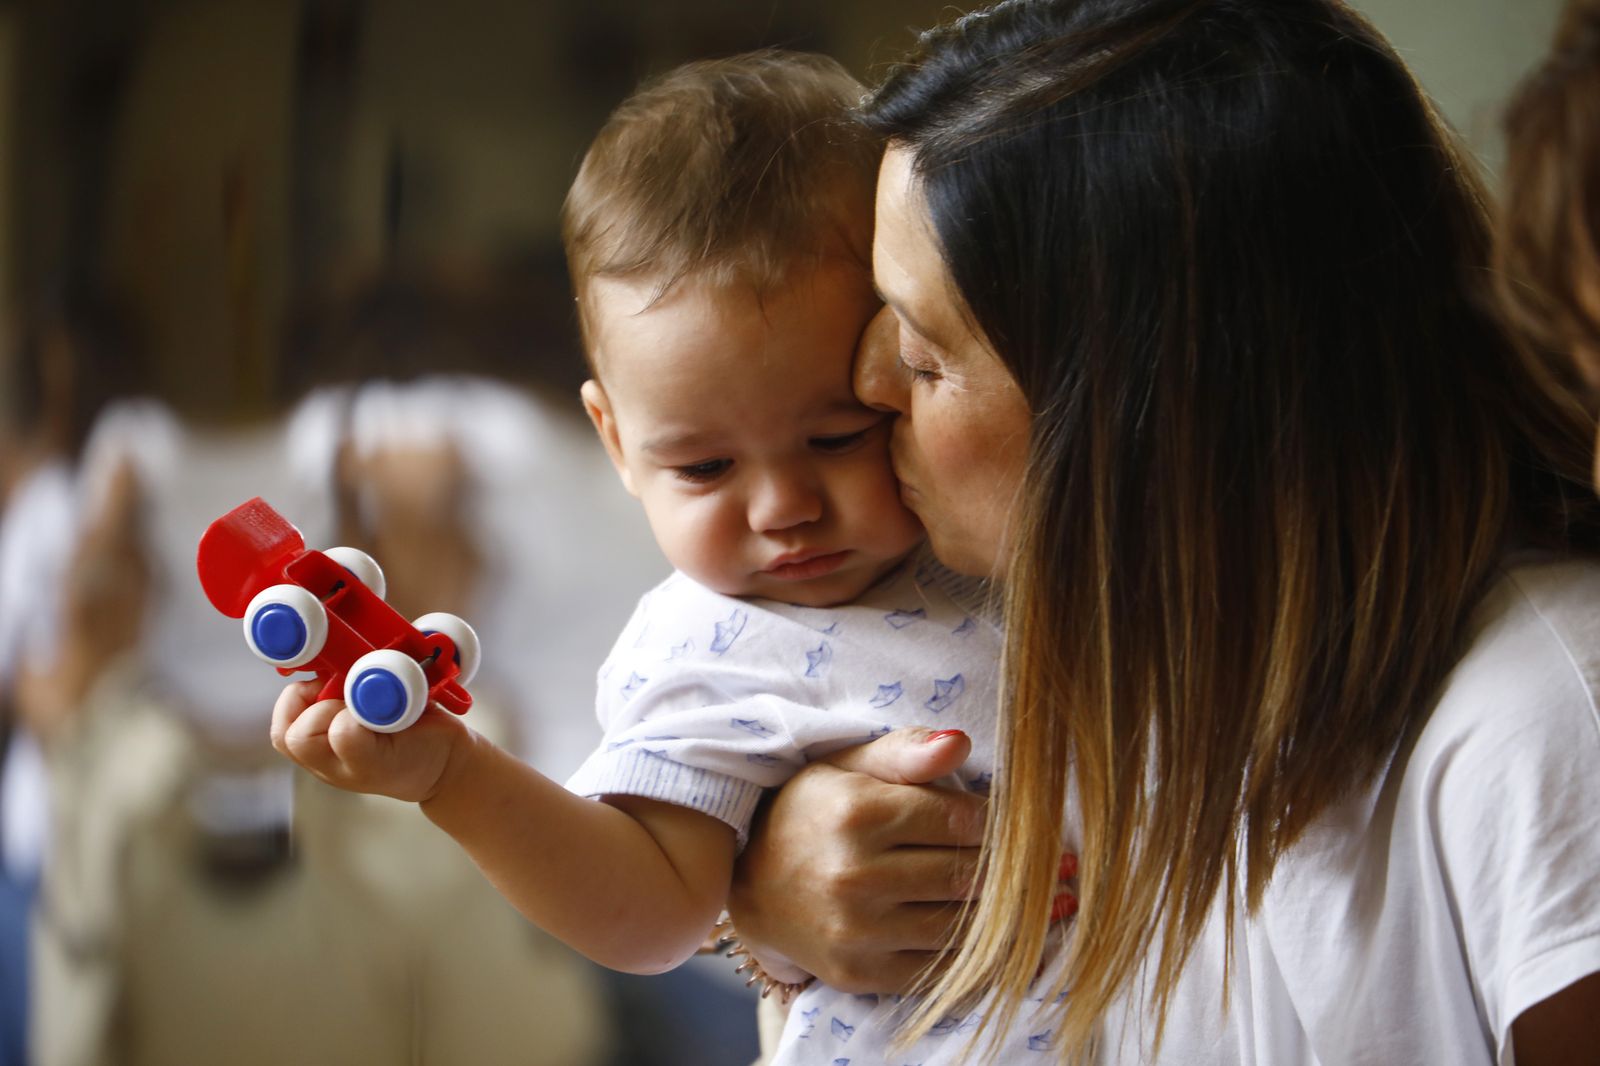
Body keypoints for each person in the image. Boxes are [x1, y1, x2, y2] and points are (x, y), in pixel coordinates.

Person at [723, 1, 1600, 1063]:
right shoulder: (1129, 685)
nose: (864, 387)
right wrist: (772, 912)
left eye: (921, 354)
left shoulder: (1546, 724)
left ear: (1157, 412)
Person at [271, 50, 1066, 1066]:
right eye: (703, 465)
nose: (783, 507)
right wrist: (453, 777)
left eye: (836, 436)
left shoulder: (995, 537)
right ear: (615, 442)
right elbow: (648, 913)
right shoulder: (707, 643)